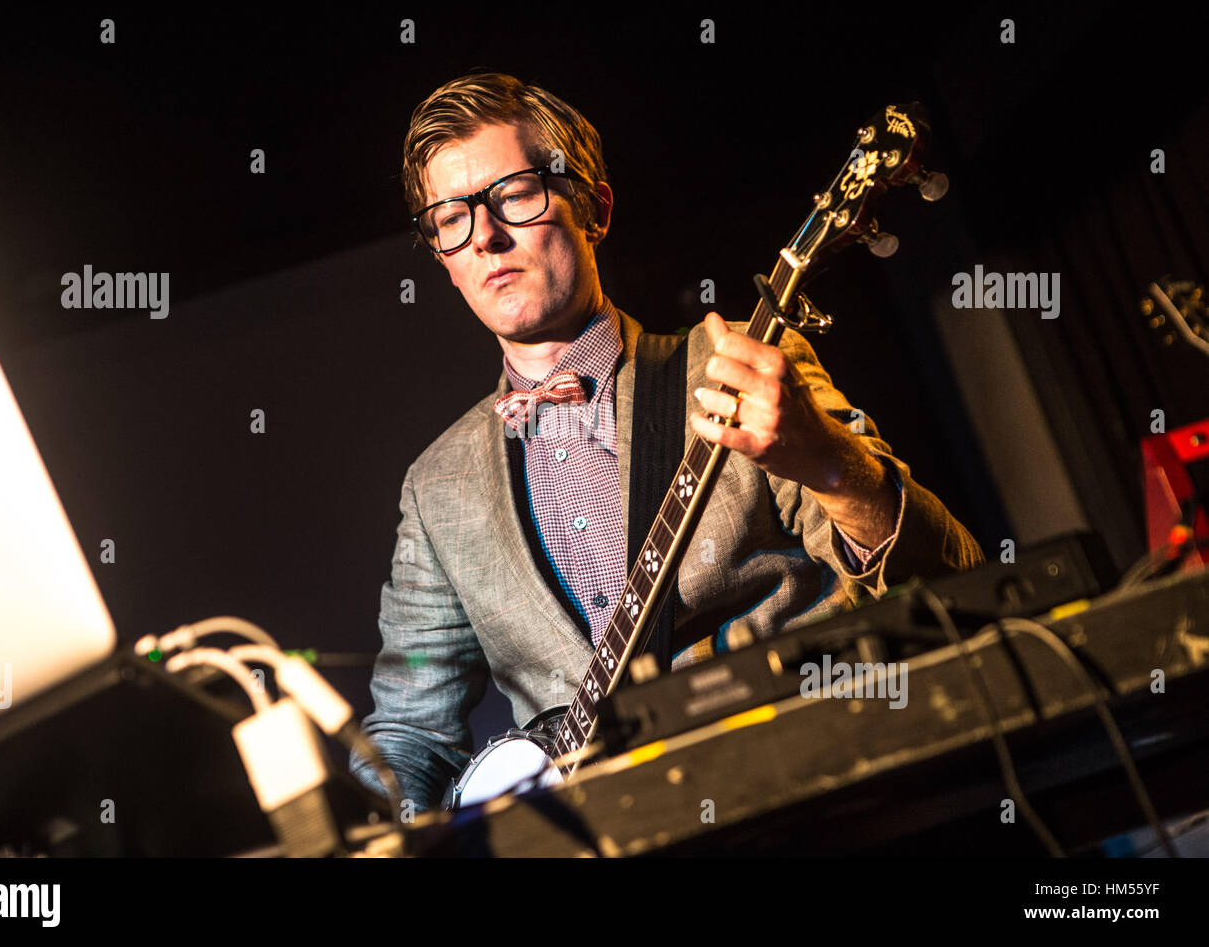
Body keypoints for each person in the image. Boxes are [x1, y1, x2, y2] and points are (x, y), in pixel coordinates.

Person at [349, 71, 984, 811]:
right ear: (442, 257)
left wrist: (828, 464)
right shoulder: (436, 489)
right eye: (450, 218)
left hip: (819, 789)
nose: (485, 236)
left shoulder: (741, 365)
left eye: (515, 194)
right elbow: (408, 737)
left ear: (595, 207)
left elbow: (946, 575)